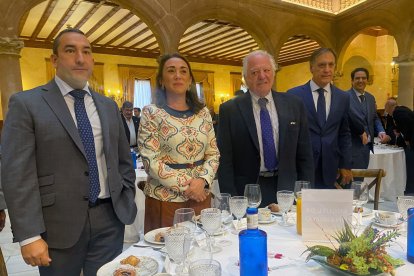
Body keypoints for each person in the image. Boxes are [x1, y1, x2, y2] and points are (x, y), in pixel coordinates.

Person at [1, 28, 137, 275]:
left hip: (109, 219)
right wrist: (29, 234)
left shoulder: (107, 105)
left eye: (87, 51)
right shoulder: (27, 104)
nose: (80, 58)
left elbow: (123, 159)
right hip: (57, 225)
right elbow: (16, 173)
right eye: (70, 50)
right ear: (54, 59)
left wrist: (125, 193)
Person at [217, 50, 314, 207]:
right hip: (247, 191)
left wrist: (306, 193)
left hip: (287, 189)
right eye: (255, 72)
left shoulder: (294, 104)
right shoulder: (229, 110)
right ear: (246, 78)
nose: (262, 76)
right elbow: (225, 161)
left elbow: (305, 155)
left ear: (273, 73)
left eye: (267, 70)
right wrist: (231, 201)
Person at [138, 53, 219, 233]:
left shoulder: (203, 113)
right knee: (166, 254)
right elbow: (150, 161)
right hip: (165, 199)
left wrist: (202, 182)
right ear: (161, 80)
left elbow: (213, 153)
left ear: (190, 80)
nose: (178, 75)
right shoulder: (151, 113)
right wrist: (189, 186)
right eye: (171, 71)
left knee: (201, 251)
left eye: (183, 71)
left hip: (200, 196)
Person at [287, 48, 353, 189]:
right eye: (322, 65)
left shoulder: (343, 97)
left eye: (331, 65)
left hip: (330, 168)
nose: (327, 70)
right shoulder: (293, 96)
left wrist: (345, 164)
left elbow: (344, 133)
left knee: (325, 210)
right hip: (301, 167)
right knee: (301, 209)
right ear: (311, 68)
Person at [347, 67, 390, 169]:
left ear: (367, 80)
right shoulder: (344, 97)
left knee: (360, 180)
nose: (361, 81)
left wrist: (381, 131)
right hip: (351, 147)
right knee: (348, 182)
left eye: (363, 78)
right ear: (352, 80)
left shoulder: (371, 98)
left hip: (366, 148)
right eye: (357, 78)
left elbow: (374, 117)